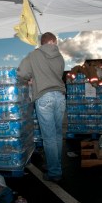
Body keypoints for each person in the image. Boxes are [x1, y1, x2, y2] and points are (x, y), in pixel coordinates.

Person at [17, 32, 66, 183]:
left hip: (44, 97)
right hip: (60, 97)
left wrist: (30, 79)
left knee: (49, 138)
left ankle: (54, 171)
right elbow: (57, 74)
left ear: (42, 42)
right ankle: (54, 164)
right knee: (57, 135)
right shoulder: (60, 56)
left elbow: (22, 73)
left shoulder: (34, 55)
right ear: (52, 41)